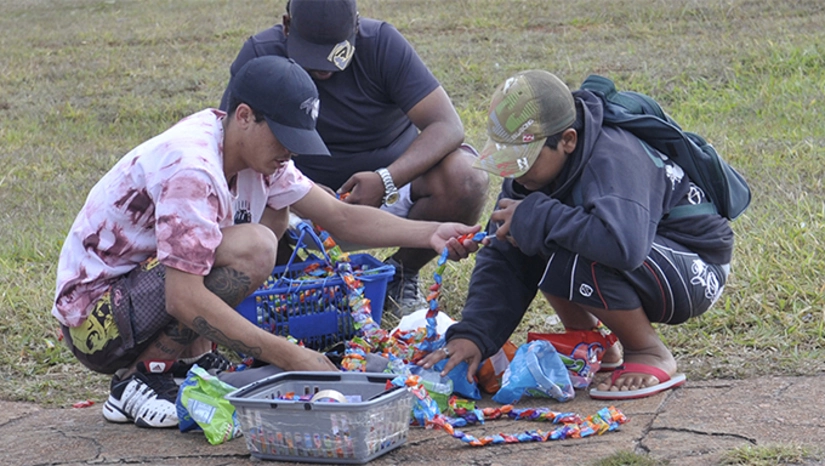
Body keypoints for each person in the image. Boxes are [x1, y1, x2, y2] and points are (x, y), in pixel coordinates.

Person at [52, 55, 481, 429]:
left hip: (137, 297)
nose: (290, 153)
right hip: (97, 324)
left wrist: (429, 231)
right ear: (244, 116)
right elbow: (183, 297)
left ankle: (190, 361)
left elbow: (340, 217)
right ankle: (139, 379)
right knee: (254, 245)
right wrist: (291, 356)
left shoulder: (254, 155)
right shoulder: (193, 169)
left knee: (269, 221)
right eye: (284, 138)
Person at [420, 70, 734, 400]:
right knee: (532, 233)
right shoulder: (529, 176)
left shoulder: (615, 156)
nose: (516, 172)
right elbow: (503, 256)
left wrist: (536, 217)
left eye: (524, 160)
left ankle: (648, 351)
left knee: (554, 235)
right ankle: (594, 344)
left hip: (693, 267)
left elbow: (623, 246)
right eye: (508, 160)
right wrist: (475, 335)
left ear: (568, 140)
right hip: (647, 257)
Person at [219, 0, 489, 317]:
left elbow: (448, 125)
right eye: (310, 52)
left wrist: (386, 178)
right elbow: (232, 145)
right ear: (286, 25)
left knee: (467, 177)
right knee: (259, 204)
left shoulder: (382, 44)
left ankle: (400, 276)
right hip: (294, 196)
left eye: (334, 52)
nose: (323, 67)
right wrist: (297, 189)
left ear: (356, 27)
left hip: (384, 189)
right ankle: (291, 287)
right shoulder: (260, 55)